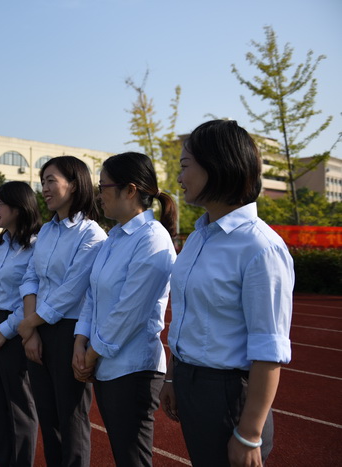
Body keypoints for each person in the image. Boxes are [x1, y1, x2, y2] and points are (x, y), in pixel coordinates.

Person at [159, 120, 294, 467]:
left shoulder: (260, 248)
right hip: (190, 382)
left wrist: (249, 434)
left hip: (229, 395)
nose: (179, 178)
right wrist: (173, 375)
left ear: (217, 165)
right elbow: (188, 316)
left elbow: (269, 349)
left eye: (185, 166)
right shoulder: (199, 238)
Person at [72, 152, 177, 466]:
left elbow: (129, 312)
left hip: (133, 370)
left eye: (103, 186)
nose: (98, 194)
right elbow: (93, 295)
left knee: (133, 458)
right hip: (105, 364)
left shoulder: (152, 239)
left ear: (130, 190)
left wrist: (90, 355)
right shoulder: (114, 237)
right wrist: (80, 341)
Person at [16, 156, 107, 467]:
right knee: (47, 415)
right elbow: (30, 277)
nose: (44, 188)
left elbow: (72, 290)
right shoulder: (46, 232)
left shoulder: (91, 234)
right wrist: (31, 331)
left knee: (71, 418)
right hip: (38, 327)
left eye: (51, 181)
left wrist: (29, 323)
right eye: (42, 182)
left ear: (75, 184)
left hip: (70, 331)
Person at [0, 181, 42, 467]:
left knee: (19, 405)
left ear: (18, 207)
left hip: (16, 329)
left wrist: (4, 332)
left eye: (0, 204)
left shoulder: (36, 246)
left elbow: (31, 296)